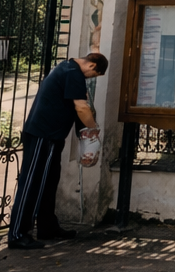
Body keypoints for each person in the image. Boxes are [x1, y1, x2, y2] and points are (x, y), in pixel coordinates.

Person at [7, 51, 108, 248]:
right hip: (42, 135)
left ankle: (47, 226)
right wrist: (93, 130)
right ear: (92, 66)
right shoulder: (74, 73)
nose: (91, 78)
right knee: (32, 182)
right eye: (94, 75)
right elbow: (82, 108)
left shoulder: (66, 68)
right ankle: (17, 233)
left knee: (49, 182)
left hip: (51, 136)